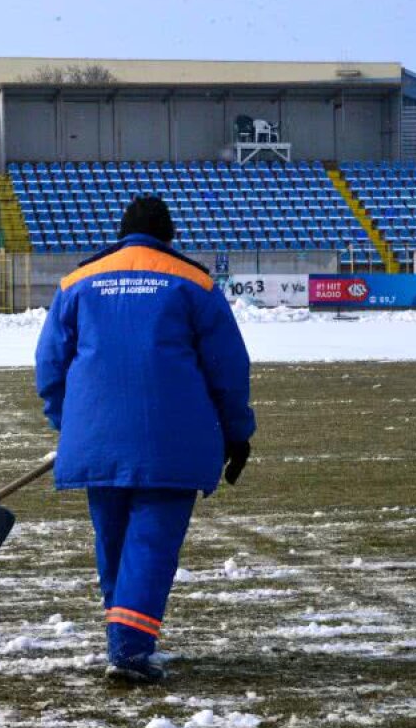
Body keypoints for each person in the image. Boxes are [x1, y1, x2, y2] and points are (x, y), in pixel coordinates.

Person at [35, 196, 256, 685]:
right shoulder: (195, 283)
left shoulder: (77, 282)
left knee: (112, 540)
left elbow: (50, 366)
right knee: (151, 543)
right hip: (171, 440)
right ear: (169, 235)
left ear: (121, 234)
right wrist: (238, 433)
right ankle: (131, 649)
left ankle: (123, 635)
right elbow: (229, 371)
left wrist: (66, 421)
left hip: (96, 437)